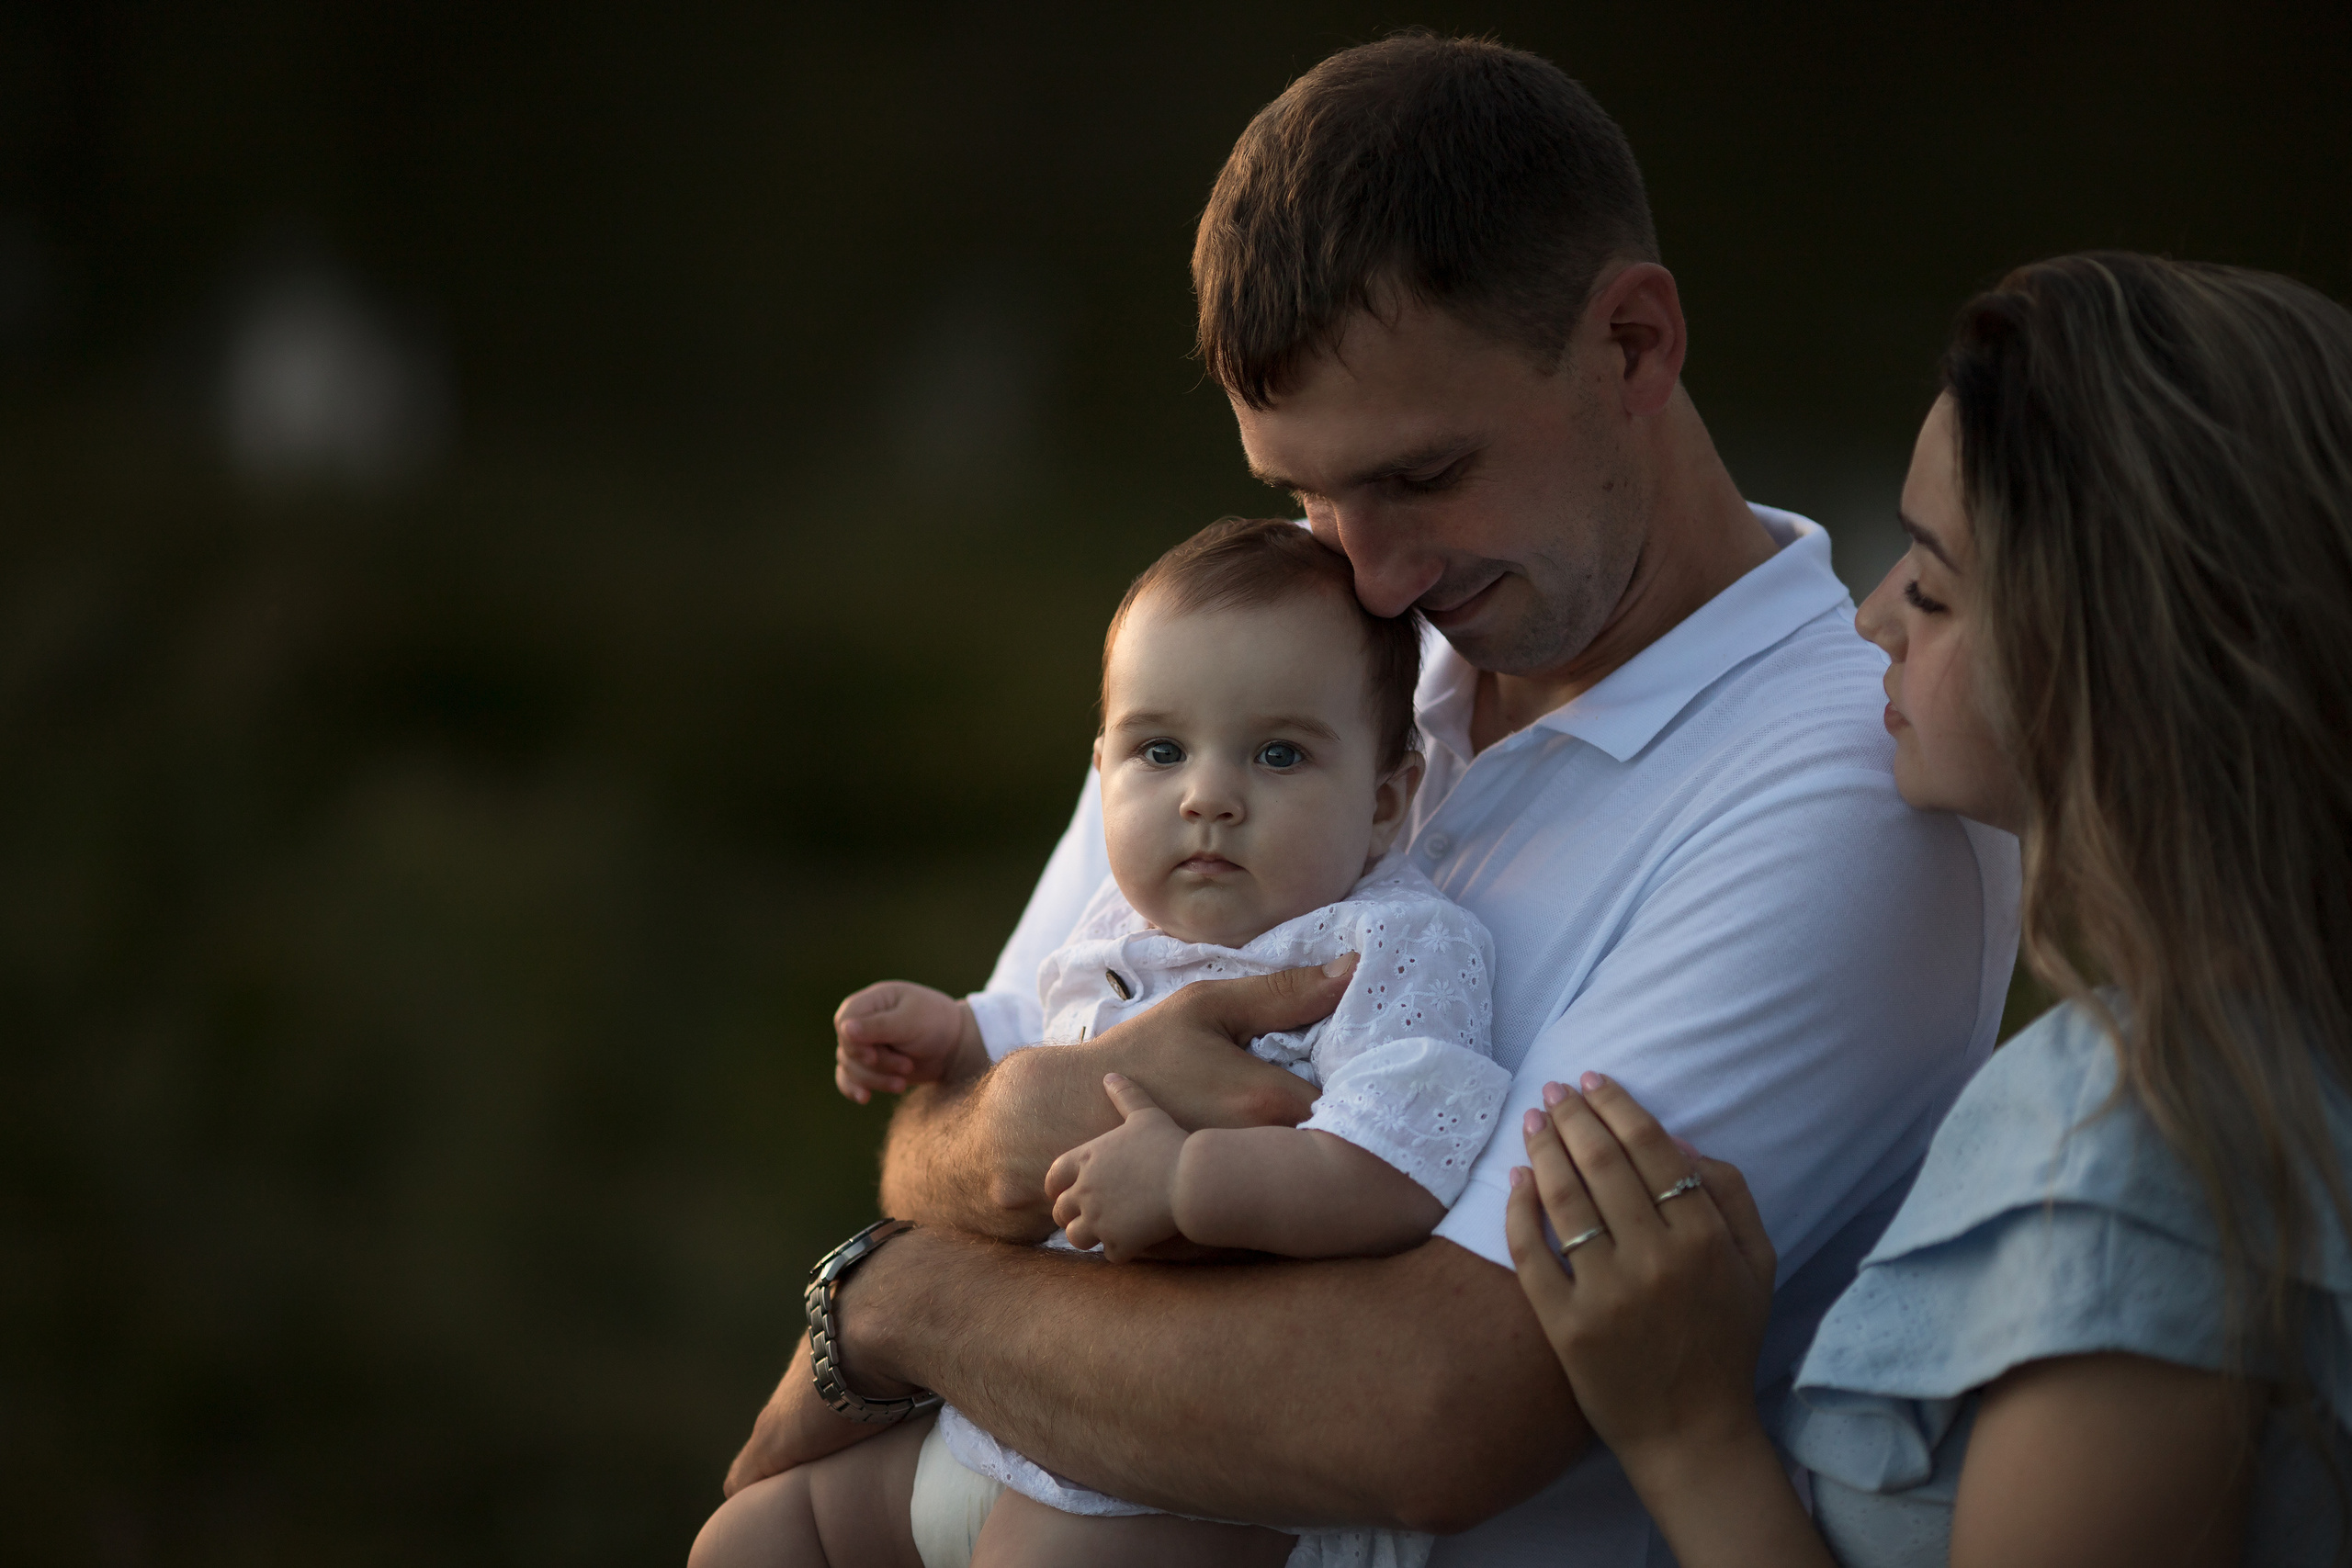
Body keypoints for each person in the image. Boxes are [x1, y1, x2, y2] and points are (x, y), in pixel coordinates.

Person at [720, 33, 2019, 1567]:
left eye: (1423, 474)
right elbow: (945, 1127)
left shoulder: (1849, 782)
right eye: (1306, 494)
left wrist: (902, 1303)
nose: (1376, 575)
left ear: (1634, 345)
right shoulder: (1303, 634)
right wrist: (1027, 1119)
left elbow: (1424, 1406)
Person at [1505, 253, 2352, 1567]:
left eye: (1938, 585)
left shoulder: (2148, 1143)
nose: (1872, 619)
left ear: (2123, 656)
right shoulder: (2266, 1056)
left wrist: (1686, 1430)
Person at [693, 517, 1511, 1568]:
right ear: (1103, 767)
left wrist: (1190, 1184)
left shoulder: (1386, 947)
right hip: (994, 1415)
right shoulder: (1123, 922)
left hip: (1162, 1480)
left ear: (1386, 802)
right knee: (753, 1536)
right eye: (1159, 751)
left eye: (1278, 754)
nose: (1207, 796)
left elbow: (1397, 1164)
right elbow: (1043, 1045)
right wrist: (956, 1033)